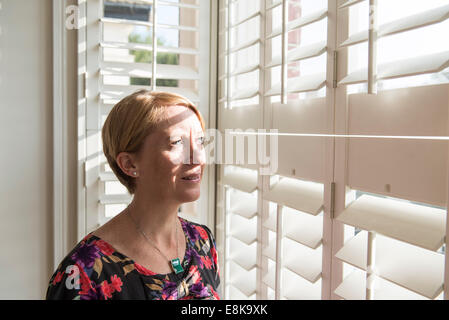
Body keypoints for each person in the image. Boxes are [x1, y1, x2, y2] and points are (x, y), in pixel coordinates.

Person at [46, 90, 220, 300]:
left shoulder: (203, 240)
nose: (197, 158)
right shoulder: (84, 273)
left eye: (200, 141)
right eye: (177, 143)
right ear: (129, 164)